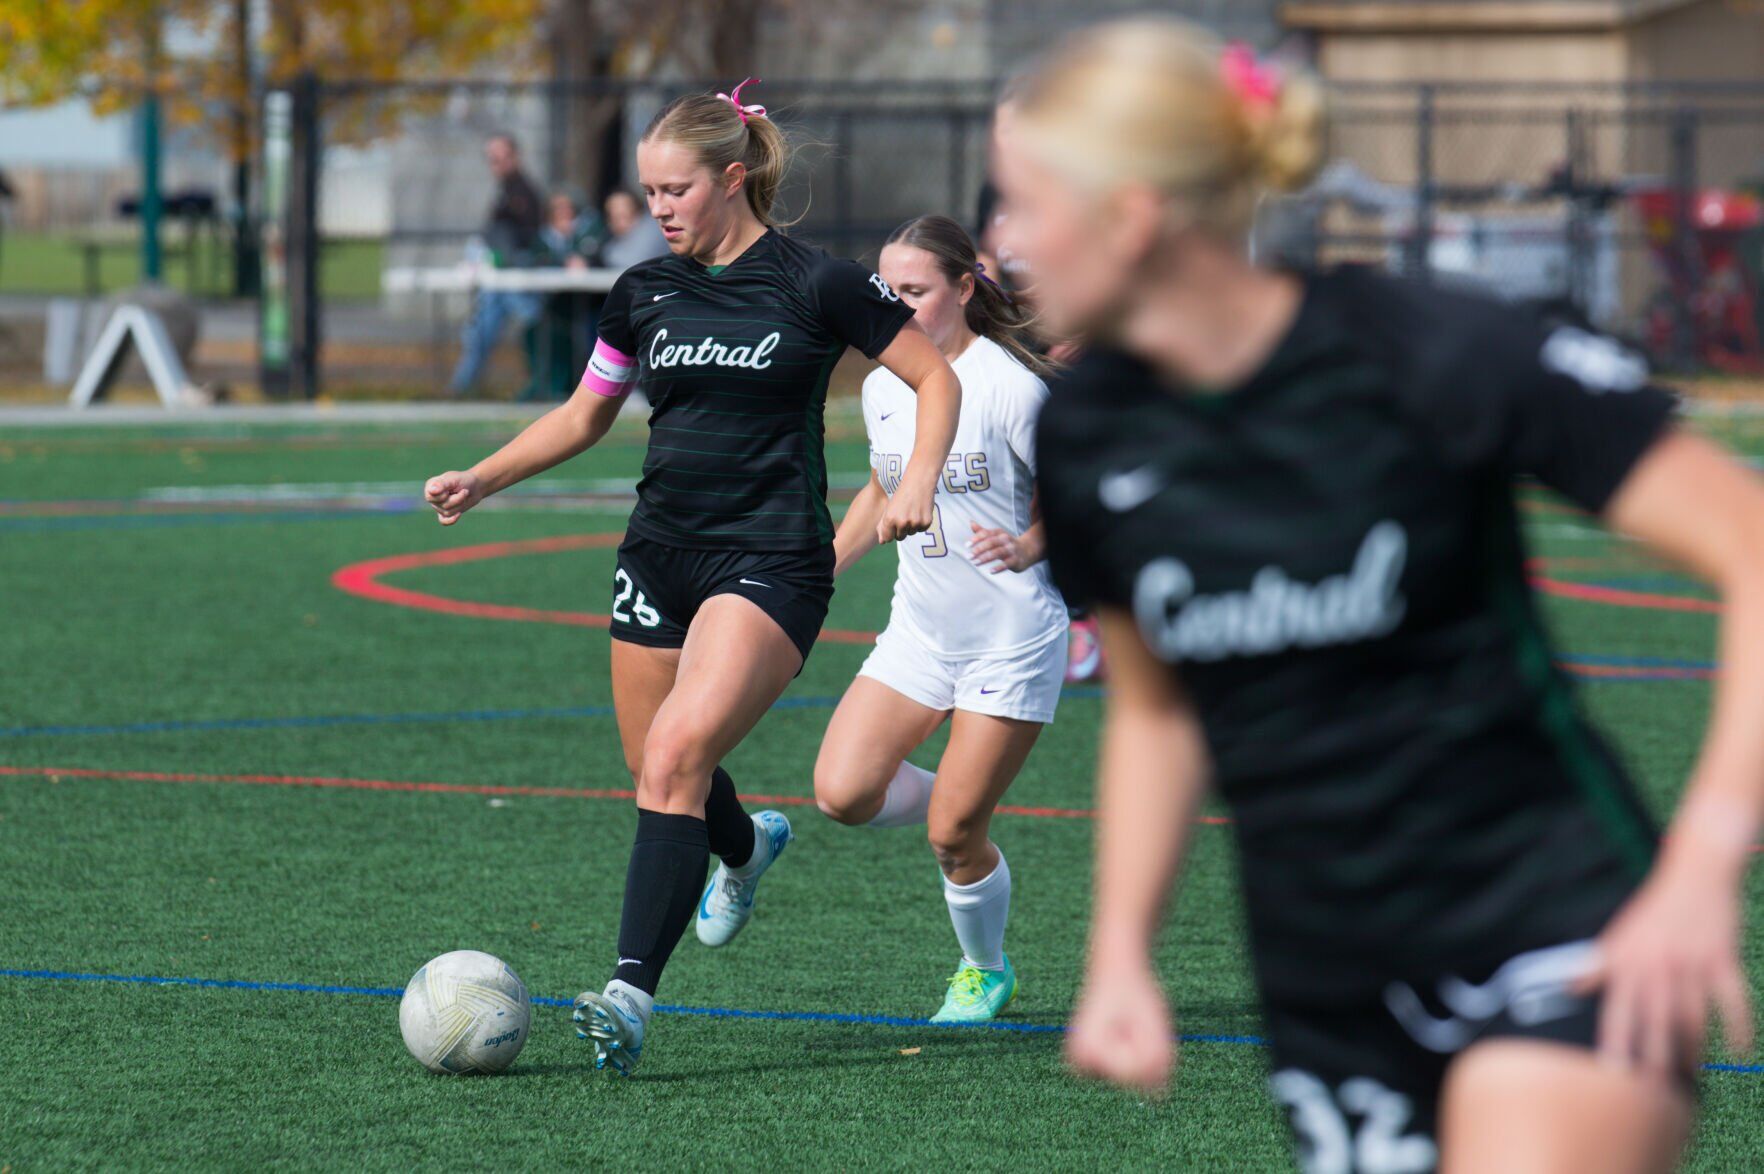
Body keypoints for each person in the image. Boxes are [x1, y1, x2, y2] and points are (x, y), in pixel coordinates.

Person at [996, 20, 1763, 1172]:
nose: (1006, 244)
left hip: (1554, 922)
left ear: (1132, 216)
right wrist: (1118, 954)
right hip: (1329, 984)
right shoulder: (1089, 429)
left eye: (1026, 204)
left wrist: (1704, 861)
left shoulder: (1426, 350)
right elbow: (1157, 711)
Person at [422, 78, 961, 1076]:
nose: (659, 207)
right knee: (660, 768)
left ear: (732, 177)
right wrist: (483, 476)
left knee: (674, 753)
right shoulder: (643, 292)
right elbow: (585, 416)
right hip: (657, 555)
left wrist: (915, 480)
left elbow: (937, 376)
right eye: (649, 191)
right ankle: (747, 849)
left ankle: (627, 994)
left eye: (675, 189)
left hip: (770, 561)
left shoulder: (818, 281)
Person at [813, 214, 1065, 1024]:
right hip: (920, 633)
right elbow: (884, 487)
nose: (896, 306)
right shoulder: (887, 386)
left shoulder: (1011, 387)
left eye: (915, 291)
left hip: (1011, 639)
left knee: (955, 837)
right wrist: (819, 569)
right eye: (887, 291)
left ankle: (983, 970)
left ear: (964, 288)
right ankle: (963, 789)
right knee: (842, 793)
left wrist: (1030, 543)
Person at [448, 132, 547, 396]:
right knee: (481, 331)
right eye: (493, 159)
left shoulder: (523, 191)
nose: (498, 164)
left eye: (504, 157)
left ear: (516, 157)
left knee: (534, 323)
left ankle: (545, 384)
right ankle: (462, 389)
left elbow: (522, 240)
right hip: (500, 277)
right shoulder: (505, 190)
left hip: (515, 275)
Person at [599, 188, 669, 270]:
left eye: (624, 216)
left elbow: (633, 263)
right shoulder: (612, 240)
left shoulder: (652, 230)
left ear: (638, 212)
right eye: (614, 217)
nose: (619, 222)